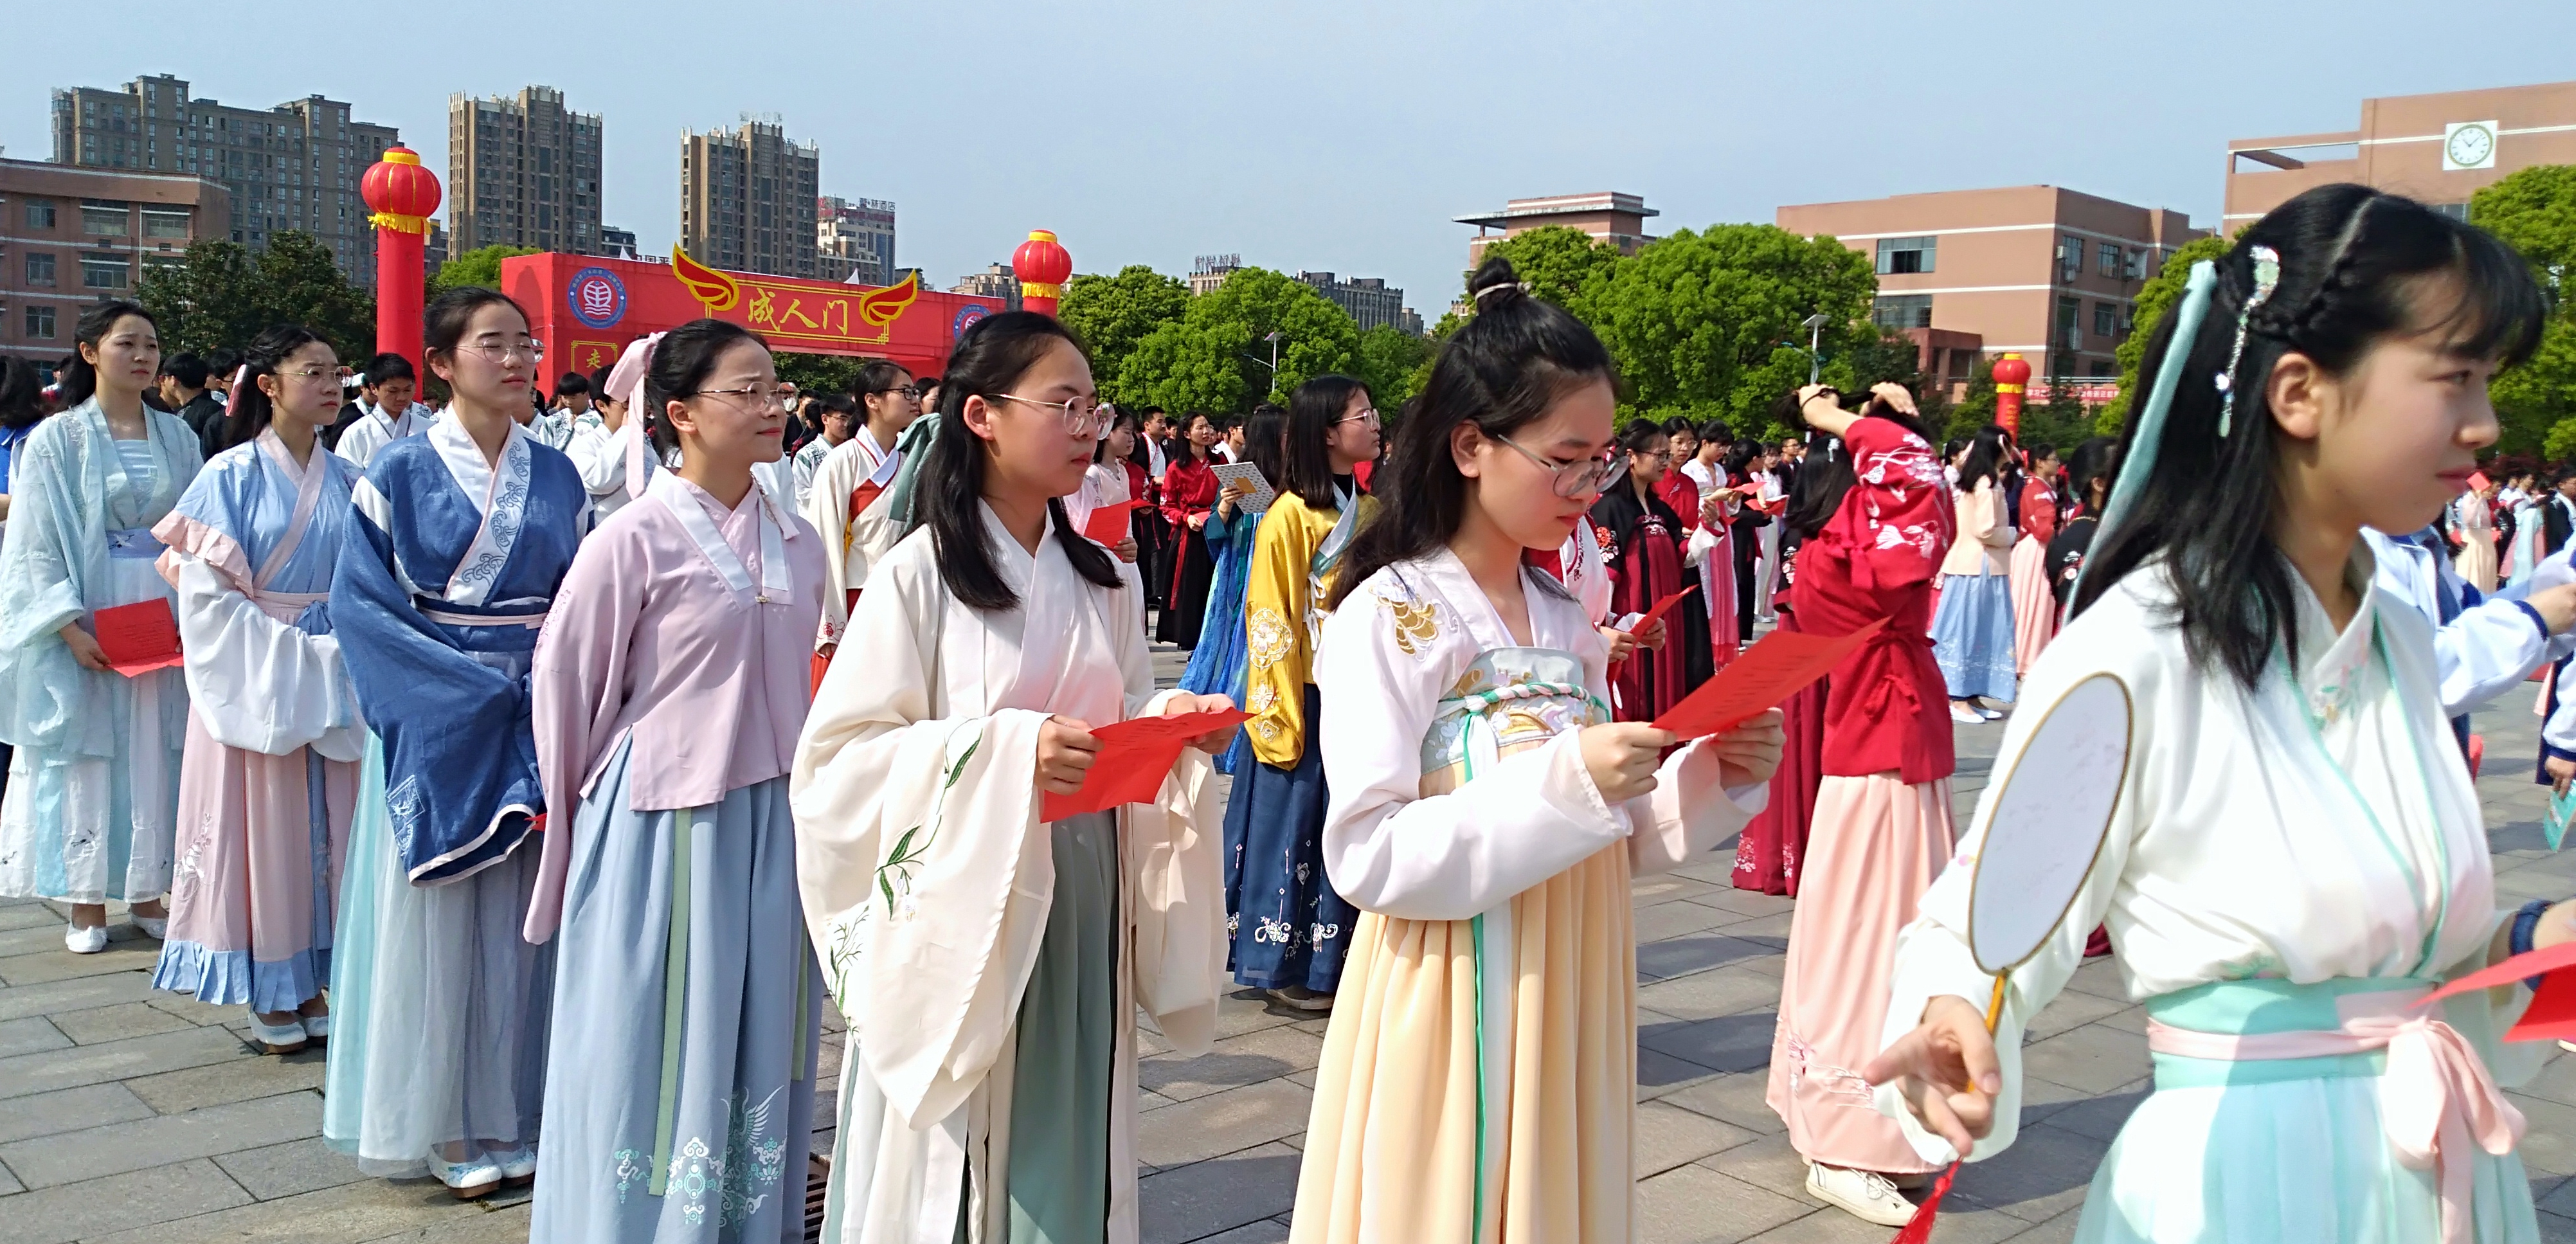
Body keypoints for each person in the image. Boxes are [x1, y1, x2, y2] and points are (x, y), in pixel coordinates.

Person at [1873, 184, 2575, 1244]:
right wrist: (1950, 1019)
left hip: (2443, 1175)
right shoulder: (2136, 645)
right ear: (2299, 391)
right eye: (2454, 378)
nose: (2483, 423)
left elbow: (2411, 961)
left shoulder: (2395, 627)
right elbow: (1989, 918)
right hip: (2245, 1189)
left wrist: (2534, 940)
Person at [1289, 259, 1779, 1241]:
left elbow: (1609, 830)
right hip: (1449, 979)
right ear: (1471, 445)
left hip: (1572, 971)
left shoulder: (1565, 615)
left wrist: (1709, 775)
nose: (1586, 488)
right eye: (1565, 458)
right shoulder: (1391, 611)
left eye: (1600, 460)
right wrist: (1567, 782)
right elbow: (1367, 851)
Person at [791, 311, 1234, 1242]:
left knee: (1068, 1106)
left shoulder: (1106, 579)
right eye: (1061, 403)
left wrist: (1168, 732)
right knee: (959, 1125)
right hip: (964, 891)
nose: (1086, 426)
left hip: (1081, 882)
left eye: (1092, 405)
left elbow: (1116, 725)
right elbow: (838, 760)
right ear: (982, 416)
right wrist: (1001, 752)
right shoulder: (917, 572)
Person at [525, 319, 827, 1241]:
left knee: (763, 1023)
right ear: (681, 413)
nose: (772, 406)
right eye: (748, 390)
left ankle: (745, 1219)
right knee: (652, 1036)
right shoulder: (631, 539)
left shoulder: (802, 541)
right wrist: (576, 834)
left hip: (771, 817)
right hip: (662, 822)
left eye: (776, 388)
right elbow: (567, 685)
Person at [323, 287, 589, 1198]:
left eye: (525, 344)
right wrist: (466, 689)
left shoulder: (558, 474)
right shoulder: (392, 473)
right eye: (493, 344)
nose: (517, 360)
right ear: (439, 363)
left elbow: (584, 603)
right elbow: (361, 605)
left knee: (526, 919)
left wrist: (559, 685)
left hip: (539, 704)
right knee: (439, 924)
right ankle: (442, 1117)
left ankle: (518, 1106)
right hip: (441, 709)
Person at [1756, 379, 1958, 1224]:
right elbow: (1915, 476)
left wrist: (1875, 421)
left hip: (1889, 745)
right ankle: (1845, 1137)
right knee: (1873, 944)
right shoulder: (1850, 551)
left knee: (1877, 940)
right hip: (1880, 748)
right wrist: (1841, 418)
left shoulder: (1846, 549)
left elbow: (1913, 477)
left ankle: (1869, 1125)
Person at [149, 323, 365, 1052]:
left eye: (338, 373)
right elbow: (206, 597)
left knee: (334, 829)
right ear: (268, 385)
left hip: (335, 668)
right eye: (314, 372)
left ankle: (322, 973)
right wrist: (288, 656)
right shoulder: (228, 476)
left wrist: (344, 650)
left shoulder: (349, 478)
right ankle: (273, 986)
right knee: (264, 828)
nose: (332, 385)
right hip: (257, 670)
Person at [0, 300, 199, 952]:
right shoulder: (58, 439)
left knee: (156, 748)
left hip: (162, 612)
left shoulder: (180, 436)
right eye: (127, 344)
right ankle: (85, 899)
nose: (143, 356)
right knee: (89, 752)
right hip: (91, 605)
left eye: (151, 344)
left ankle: (147, 890)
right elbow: (33, 543)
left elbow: (200, 527)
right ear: (89, 352)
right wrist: (67, 627)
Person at [1223, 377, 1378, 1010]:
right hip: (1305, 692)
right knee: (1296, 822)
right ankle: (1283, 962)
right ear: (1326, 432)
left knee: (1344, 822)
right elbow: (1268, 616)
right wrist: (1277, 705)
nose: (1373, 423)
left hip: (1360, 692)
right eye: (1361, 414)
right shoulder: (1289, 513)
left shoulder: (1367, 509)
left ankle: (1333, 958)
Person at [1733, 409, 1849, 897]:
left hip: (1824, 647)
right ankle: (1798, 856)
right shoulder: (1808, 536)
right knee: (1807, 748)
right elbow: (1797, 597)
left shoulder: (1823, 533)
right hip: (1810, 650)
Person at [1180, 404, 1286, 774]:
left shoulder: (1295, 480)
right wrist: (1224, 509)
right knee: (1231, 645)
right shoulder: (1243, 479)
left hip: (1272, 577)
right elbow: (1215, 536)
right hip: (1239, 579)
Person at [800, 361, 919, 672]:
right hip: (858, 594)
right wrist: (831, 618)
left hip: (906, 593)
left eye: (915, 392)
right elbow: (824, 541)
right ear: (872, 400)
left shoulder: (912, 461)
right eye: (905, 391)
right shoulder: (841, 462)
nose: (914, 399)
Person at [1590, 420, 1712, 721]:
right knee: (1637, 692)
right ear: (1632, 456)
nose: (1666, 462)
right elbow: (1606, 572)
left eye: (1666, 456)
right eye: (1660, 455)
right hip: (1629, 615)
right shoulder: (1612, 507)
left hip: (1664, 617)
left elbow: (1682, 557)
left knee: (1667, 683)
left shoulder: (1661, 510)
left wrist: (1710, 529)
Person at [1931, 426, 2019, 721]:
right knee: (1968, 629)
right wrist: (2012, 534)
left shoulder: (1978, 481)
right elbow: (1985, 530)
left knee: (1978, 629)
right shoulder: (1987, 484)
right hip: (1979, 566)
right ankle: (1956, 696)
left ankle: (1969, 693)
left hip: (1976, 564)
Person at [1155, 411, 1223, 648]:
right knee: (1191, 589)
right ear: (1186, 434)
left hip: (1217, 528)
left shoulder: (1220, 462)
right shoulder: (1176, 468)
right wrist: (1185, 518)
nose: (1207, 432)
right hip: (1190, 533)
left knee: (1216, 584)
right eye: (1200, 428)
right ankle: (1191, 639)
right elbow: (1166, 507)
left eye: (1208, 427)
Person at [2010, 442, 2063, 676]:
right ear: (2040, 462)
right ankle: (2027, 659)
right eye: (2053, 459)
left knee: (2030, 604)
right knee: (2036, 604)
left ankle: (2024, 656)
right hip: (2039, 548)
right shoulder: (2038, 490)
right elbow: (2044, 528)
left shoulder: (2039, 486)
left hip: (2035, 547)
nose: (2057, 463)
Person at [334, 354, 434, 469]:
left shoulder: (430, 429)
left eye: (407, 390)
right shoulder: (357, 433)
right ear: (374, 389)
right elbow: (347, 478)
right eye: (393, 391)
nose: (401, 397)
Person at [781, 392, 856, 511]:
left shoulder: (854, 452)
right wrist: (840, 498)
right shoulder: (807, 455)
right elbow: (802, 494)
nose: (847, 424)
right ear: (825, 419)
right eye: (842, 418)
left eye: (851, 419)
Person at [2453, 471, 2501, 592]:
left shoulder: (2484, 501)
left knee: (2486, 567)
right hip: (2473, 538)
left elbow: (2486, 521)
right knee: (2473, 568)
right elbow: (2468, 520)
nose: (2489, 492)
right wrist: (2478, 500)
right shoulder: (2468, 499)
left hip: (2485, 539)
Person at [161, 353, 223, 446]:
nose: (163, 382)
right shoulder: (184, 409)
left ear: (174, 379)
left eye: (165, 377)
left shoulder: (211, 411)